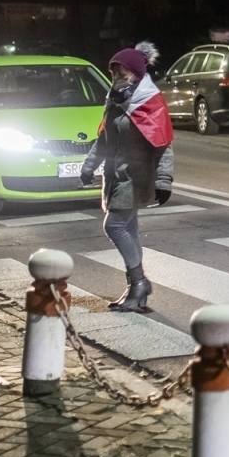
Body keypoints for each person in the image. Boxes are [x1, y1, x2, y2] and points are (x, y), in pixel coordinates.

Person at [79, 44, 175, 312]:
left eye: (123, 73)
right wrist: (88, 167)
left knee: (115, 226)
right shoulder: (114, 101)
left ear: (136, 74)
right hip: (114, 177)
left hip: (136, 177)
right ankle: (137, 289)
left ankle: (139, 281)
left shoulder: (149, 103)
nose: (118, 78)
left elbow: (163, 143)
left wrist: (164, 180)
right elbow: (104, 141)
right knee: (128, 228)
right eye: (114, 73)